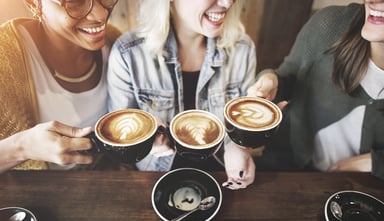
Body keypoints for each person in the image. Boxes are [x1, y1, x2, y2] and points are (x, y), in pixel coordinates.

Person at [107, 0, 257, 190]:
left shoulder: (243, 49)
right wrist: (145, 142)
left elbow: (242, 124)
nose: (227, 3)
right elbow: (120, 138)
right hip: (154, 178)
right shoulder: (128, 54)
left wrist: (237, 147)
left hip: (221, 173)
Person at [249, 0, 384, 180]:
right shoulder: (330, 23)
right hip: (289, 169)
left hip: (364, 190)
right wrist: (271, 80)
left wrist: (375, 162)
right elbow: (289, 76)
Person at [0, 0, 121, 172]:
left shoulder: (117, 43)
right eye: (76, 2)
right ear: (33, 4)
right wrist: (22, 147)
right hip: (36, 197)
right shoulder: (4, 57)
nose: (101, 15)